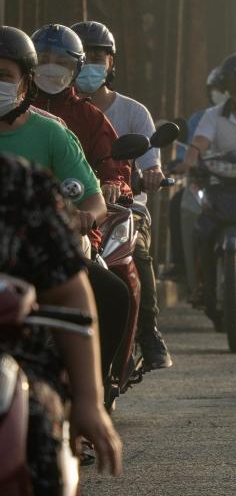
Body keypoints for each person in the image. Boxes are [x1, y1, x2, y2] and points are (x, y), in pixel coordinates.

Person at [0, 155, 122, 496]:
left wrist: (89, 404)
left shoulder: (20, 186)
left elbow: (72, 292)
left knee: (34, 432)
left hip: (15, 360)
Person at [0, 27, 131, 385]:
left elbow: (92, 197)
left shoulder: (52, 134)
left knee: (114, 295)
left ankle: (93, 392)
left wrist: (83, 216)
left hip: (39, 257)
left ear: (25, 84)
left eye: (4, 77)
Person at [71, 20, 172, 371]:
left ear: (112, 62)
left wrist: (150, 176)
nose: (92, 62)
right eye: (84, 55)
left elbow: (147, 162)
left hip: (122, 207)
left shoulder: (132, 112)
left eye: (100, 55)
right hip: (68, 205)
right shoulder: (53, 112)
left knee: (135, 254)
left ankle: (148, 330)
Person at [182, 53, 236, 299]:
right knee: (192, 214)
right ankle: (196, 279)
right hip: (220, 185)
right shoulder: (213, 115)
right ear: (224, 86)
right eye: (234, 84)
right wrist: (189, 160)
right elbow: (198, 142)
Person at [31, 24, 131, 207]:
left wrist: (112, 185)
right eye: (43, 60)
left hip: (74, 215)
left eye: (61, 62)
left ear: (77, 68)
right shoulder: (12, 109)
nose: (51, 68)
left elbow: (113, 168)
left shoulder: (90, 116)